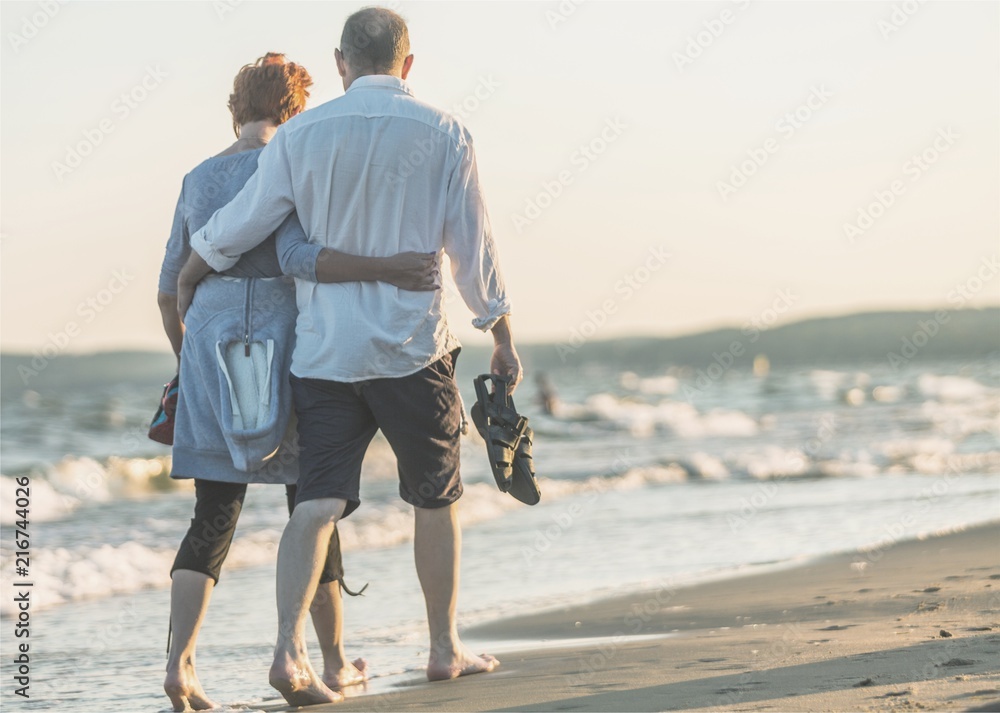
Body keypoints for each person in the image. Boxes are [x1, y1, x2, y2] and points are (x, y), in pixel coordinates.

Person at [183, 7, 522, 705]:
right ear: (408, 63)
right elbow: (472, 245)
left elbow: (248, 218)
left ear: (340, 63)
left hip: (325, 352)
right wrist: (500, 329)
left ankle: (286, 652)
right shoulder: (446, 131)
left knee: (316, 503)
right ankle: (442, 647)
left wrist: (196, 264)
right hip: (411, 349)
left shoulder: (301, 134)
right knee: (436, 496)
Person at [157, 52, 438, 711]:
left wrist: (187, 363)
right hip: (289, 338)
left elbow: (170, 289)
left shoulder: (198, 178)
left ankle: (180, 666)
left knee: (214, 510)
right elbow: (302, 257)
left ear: (236, 107)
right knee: (311, 501)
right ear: (297, 109)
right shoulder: (300, 166)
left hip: (210, 342)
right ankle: (333, 662)